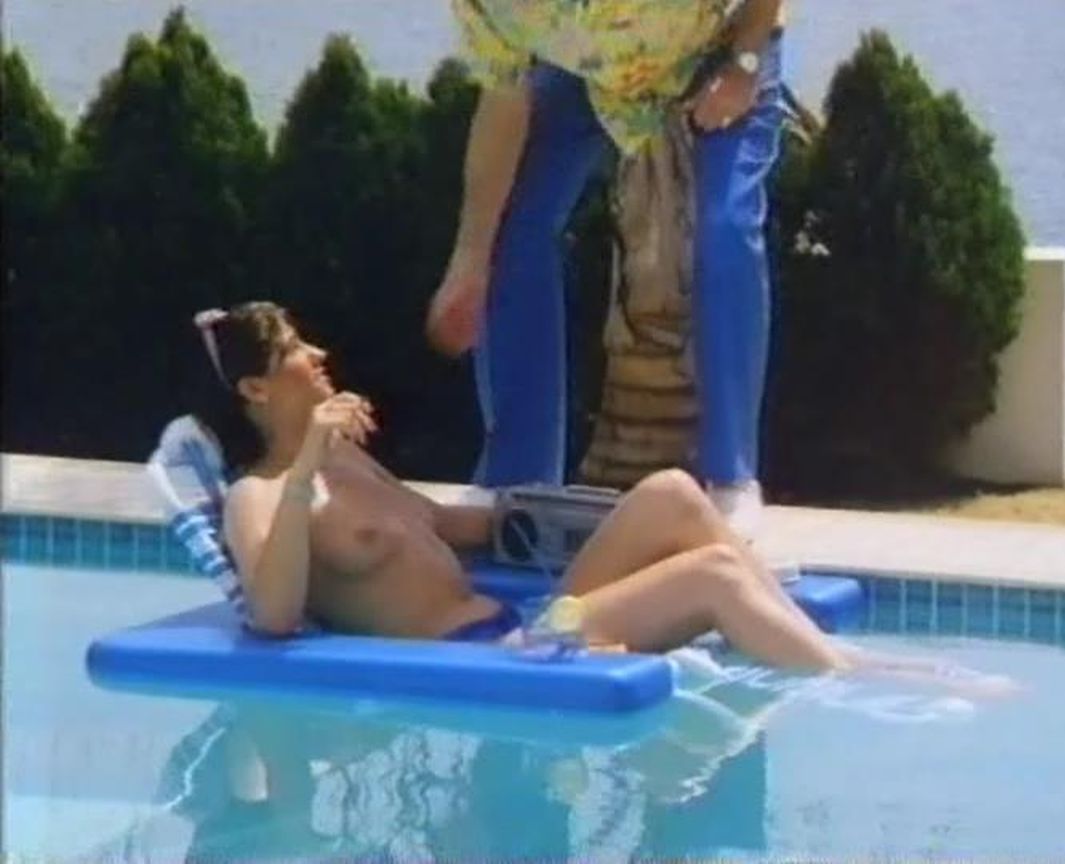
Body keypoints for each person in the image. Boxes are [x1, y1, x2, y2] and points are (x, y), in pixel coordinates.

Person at [192, 301, 846, 672]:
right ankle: (848, 680)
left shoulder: (350, 462)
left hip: (523, 628)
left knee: (670, 494)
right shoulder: (259, 494)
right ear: (255, 388)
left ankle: (810, 646)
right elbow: (273, 615)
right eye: (294, 349)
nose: (317, 354)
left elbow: (450, 527)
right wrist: (306, 461)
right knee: (713, 577)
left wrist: (567, 516)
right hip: (483, 661)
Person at [425, 0, 789, 528]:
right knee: (509, 223)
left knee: (725, 227)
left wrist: (744, 66)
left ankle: (732, 479)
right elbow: (504, 100)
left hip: (722, 44)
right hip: (596, 75)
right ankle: (520, 483)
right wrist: (469, 258)